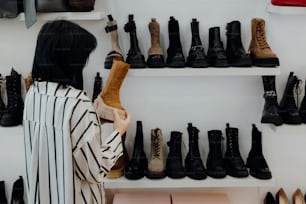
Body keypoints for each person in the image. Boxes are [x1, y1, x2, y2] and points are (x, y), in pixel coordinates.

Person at [23, 20, 130, 204]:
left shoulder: (34, 92)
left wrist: (92, 119)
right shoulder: (78, 103)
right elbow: (95, 170)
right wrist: (118, 133)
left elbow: (59, 142)